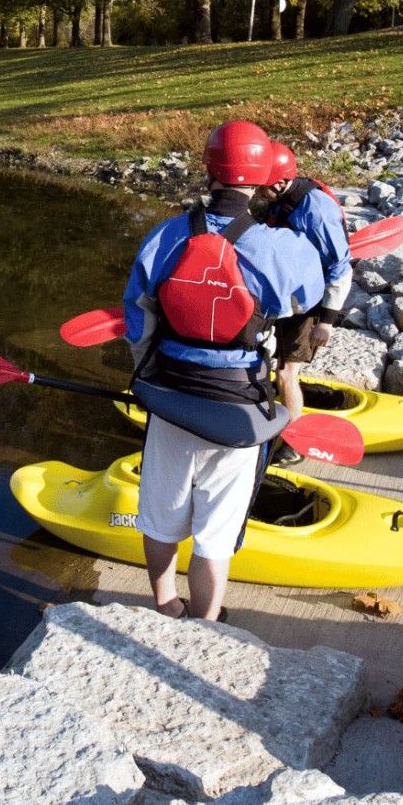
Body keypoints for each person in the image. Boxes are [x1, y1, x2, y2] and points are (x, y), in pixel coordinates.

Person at [123, 121, 325, 621]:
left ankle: (166, 603)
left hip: (170, 399)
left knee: (162, 513)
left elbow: (137, 319)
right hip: (240, 409)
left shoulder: (165, 235)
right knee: (216, 529)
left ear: (208, 170)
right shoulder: (280, 247)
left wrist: (148, 379)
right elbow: (309, 297)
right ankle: (206, 622)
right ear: (261, 177)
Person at [260, 141, 352, 463]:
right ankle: (280, 409)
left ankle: (294, 444)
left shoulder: (316, 211)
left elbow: (341, 266)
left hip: (313, 301)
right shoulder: (281, 199)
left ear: (281, 182)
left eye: (262, 186)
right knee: (276, 362)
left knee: (286, 372)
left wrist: (327, 320)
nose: (258, 192)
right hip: (291, 294)